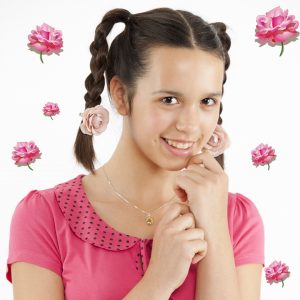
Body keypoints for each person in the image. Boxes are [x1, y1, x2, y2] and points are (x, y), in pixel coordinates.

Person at [6, 7, 265, 300]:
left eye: (207, 100)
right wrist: (157, 282)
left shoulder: (237, 220)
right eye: (169, 99)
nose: (190, 125)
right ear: (120, 95)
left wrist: (216, 228)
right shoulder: (45, 216)